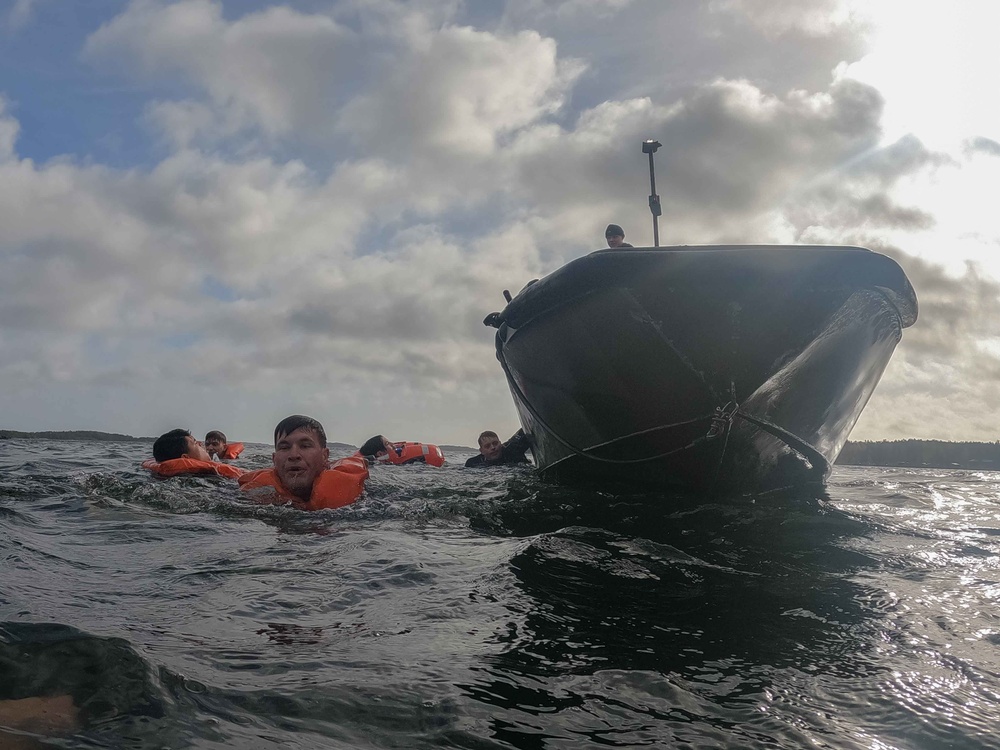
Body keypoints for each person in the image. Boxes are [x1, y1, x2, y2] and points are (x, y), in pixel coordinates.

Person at [238, 415, 368, 510]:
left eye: (305, 446)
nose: (293, 455)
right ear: (274, 459)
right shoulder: (255, 496)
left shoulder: (360, 502)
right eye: (284, 448)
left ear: (325, 456)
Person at [465, 429, 532, 468]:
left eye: (495, 443)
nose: (493, 447)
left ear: (500, 444)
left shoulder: (513, 449)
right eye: (487, 446)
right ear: (481, 451)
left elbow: (527, 428)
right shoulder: (473, 463)